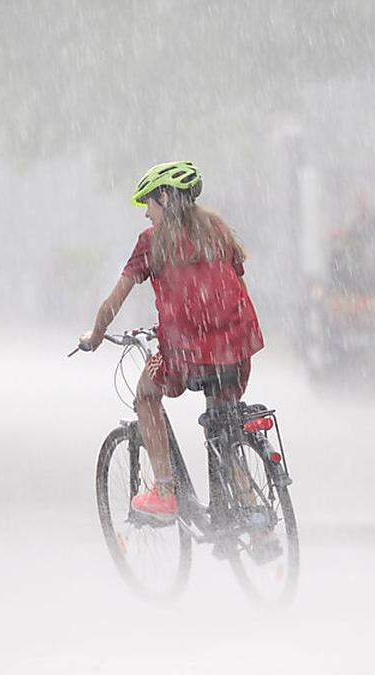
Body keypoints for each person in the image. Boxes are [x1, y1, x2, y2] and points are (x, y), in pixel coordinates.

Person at [81, 161, 264, 520]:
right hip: (236, 346)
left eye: (148, 203)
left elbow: (115, 300)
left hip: (186, 351)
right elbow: (234, 281)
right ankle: (253, 515)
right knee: (224, 423)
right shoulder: (217, 229)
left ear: (164, 197)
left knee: (146, 396)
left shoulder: (152, 242)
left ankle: (164, 491)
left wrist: (96, 335)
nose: (146, 214)